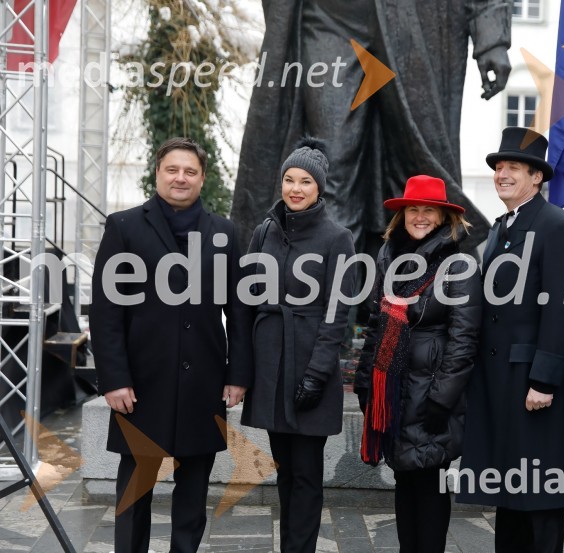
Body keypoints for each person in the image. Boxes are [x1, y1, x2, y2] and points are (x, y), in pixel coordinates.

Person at [232, 0, 513, 254]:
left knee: (418, 161)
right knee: (334, 163)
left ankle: (416, 291)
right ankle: (337, 295)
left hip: (411, 18)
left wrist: (492, 34)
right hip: (329, 18)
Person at [90, 137, 253, 552]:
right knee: (135, 490)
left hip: (203, 382)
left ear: (202, 178)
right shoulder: (123, 226)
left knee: (193, 493)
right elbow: (106, 310)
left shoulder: (224, 232)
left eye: (190, 171)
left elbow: (238, 309)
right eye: (172, 169)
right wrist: (113, 379)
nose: (181, 178)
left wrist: (238, 375)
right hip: (140, 385)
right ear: (158, 172)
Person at [457, 127, 564, 553]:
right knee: (509, 489)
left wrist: (544, 380)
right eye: (499, 167)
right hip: (497, 379)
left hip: (531, 380)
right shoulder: (501, 227)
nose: (503, 174)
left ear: (537, 178)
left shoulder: (556, 226)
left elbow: (562, 308)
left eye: (514, 167)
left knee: (539, 493)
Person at [353, 175, 482, 553]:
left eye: (429, 210)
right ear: (402, 214)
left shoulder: (458, 263)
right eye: (413, 209)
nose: (420, 217)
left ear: (444, 216)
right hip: (393, 388)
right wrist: (366, 384)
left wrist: (442, 398)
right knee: (404, 481)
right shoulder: (389, 256)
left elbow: (464, 338)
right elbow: (376, 324)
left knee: (428, 483)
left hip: (431, 390)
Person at [240, 138, 356, 553]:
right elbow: (246, 299)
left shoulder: (337, 238)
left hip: (311, 368)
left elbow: (337, 315)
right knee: (285, 470)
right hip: (271, 367)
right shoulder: (264, 231)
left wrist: (317, 374)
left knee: (306, 474)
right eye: (289, 179)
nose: (295, 188)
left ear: (319, 188)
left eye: (305, 181)